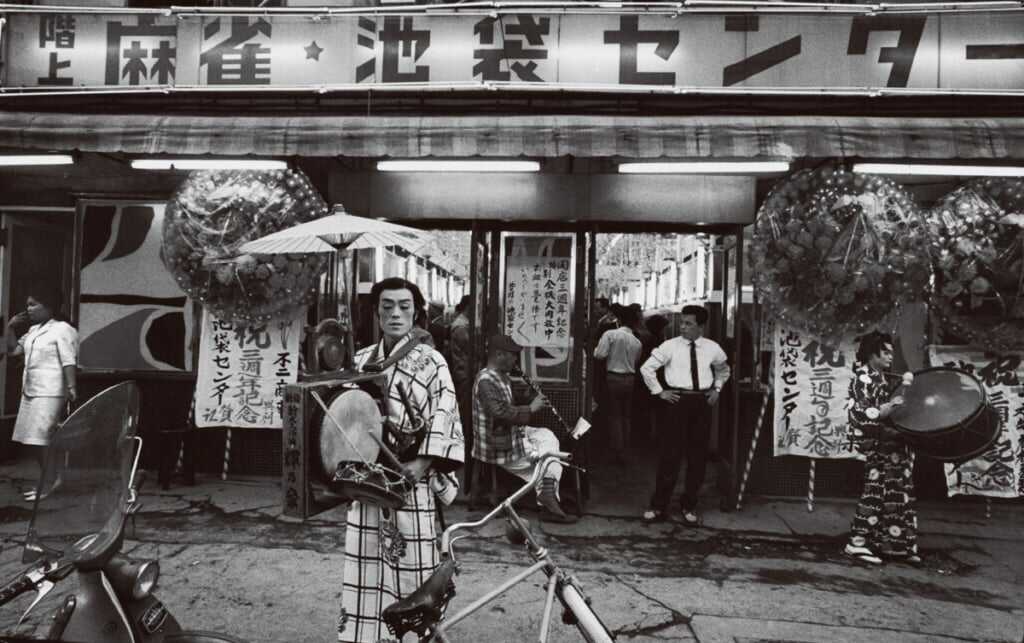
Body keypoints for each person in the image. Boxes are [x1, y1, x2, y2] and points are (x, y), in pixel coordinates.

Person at [339, 277, 464, 642]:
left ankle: (414, 636)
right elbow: (343, 418)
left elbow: (446, 416)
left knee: (414, 565)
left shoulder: (432, 361)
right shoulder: (361, 359)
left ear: (416, 311)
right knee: (365, 565)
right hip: (367, 483)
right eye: (388, 305)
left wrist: (423, 463)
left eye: (404, 306)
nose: (396, 313)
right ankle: (367, 636)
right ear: (376, 312)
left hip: (411, 481)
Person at [639, 304, 730, 526]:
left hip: (701, 403)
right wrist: (660, 392)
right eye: (682, 322)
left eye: (689, 323)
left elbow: (724, 369)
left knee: (697, 457)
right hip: (677, 402)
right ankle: (659, 506)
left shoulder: (712, 348)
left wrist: (717, 389)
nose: (683, 327)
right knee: (670, 456)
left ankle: (689, 505)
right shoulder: (669, 346)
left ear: (701, 326)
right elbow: (646, 368)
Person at [472, 334, 576, 523]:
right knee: (548, 457)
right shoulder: (486, 380)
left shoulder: (501, 376)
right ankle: (548, 501)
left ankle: (546, 492)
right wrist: (531, 408)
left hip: (511, 432)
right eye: (513, 356)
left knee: (547, 436)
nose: (515, 360)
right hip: (497, 443)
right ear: (500, 355)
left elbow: (507, 402)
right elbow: (499, 412)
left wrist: (527, 395)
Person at [844, 331, 919, 566]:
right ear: (871, 354)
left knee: (898, 495)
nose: (890, 356)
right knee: (875, 495)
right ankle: (858, 543)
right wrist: (889, 407)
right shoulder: (863, 378)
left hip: (895, 446)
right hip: (880, 446)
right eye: (885, 352)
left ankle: (896, 545)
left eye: (891, 352)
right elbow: (861, 414)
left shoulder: (883, 377)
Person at [4, 290, 78, 502]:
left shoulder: (63, 329)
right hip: (31, 392)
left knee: (42, 438)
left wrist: (72, 387)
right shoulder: (34, 330)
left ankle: (51, 483)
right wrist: (9, 327)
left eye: (33, 304)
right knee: (35, 441)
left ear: (49, 306)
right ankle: (54, 479)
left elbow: (68, 359)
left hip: (51, 391)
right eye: (28, 305)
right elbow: (14, 352)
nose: (29, 309)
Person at [593, 304, 641, 462]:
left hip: (613, 378)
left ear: (619, 320)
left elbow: (600, 355)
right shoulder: (637, 341)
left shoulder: (610, 334)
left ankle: (617, 450)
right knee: (626, 415)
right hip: (630, 379)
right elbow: (636, 361)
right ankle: (626, 447)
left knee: (614, 415)